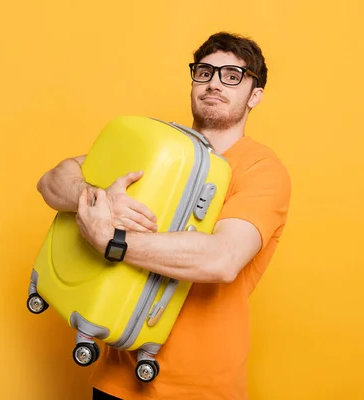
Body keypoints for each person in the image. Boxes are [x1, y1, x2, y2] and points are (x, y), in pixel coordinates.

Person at [36, 31, 292, 400]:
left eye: (232, 76)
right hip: (116, 377)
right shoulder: (161, 150)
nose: (215, 83)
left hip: (201, 388)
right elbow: (51, 181)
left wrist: (111, 240)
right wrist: (94, 197)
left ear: (255, 95)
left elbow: (222, 259)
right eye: (205, 72)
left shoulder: (262, 170)